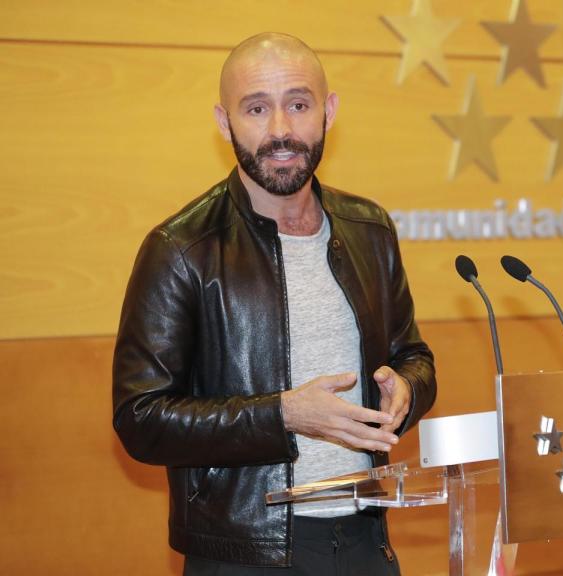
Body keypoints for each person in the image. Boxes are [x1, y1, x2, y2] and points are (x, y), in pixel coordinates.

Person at [113, 32, 436, 575]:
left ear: (329, 111)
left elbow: (415, 357)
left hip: (365, 537)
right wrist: (282, 414)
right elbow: (140, 418)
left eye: (299, 104)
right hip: (243, 551)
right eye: (257, 108)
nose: (281, 130)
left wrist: (406, 391)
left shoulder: (369, 230)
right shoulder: (181, 250)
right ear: (225, 122)